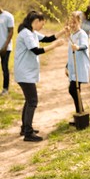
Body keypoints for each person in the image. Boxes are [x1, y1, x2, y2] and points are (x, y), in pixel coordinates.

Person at [14, 11, 67, 142]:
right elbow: (36, 51)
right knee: (32, 101)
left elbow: (47, 38)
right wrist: (54, 46)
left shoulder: (31, 32)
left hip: (26, 73)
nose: (42, 26)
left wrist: (62, 31)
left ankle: (25, 128)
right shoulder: (26, 34)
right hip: (24, 73)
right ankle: (28, 133)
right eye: (42, 24)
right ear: (36, 21)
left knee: (29, 100)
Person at [67, 12, 90, 116]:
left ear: (79, 22)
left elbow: (85, 46)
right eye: (70, 22)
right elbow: (70, 53)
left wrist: (78, 47)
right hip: (73, 66)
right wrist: (66, 66)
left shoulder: (82, 34)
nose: (72, 25)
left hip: (79, 66)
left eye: (74, 22)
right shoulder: (71, 35)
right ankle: (80, 112)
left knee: (73, 89)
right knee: (75, 90)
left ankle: (80, 111)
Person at [0, 7, 14, 96]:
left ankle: (5, 89)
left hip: (5, 48)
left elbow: (11, 32)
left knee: (4, 68)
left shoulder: (8, 16)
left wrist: (5, 46)